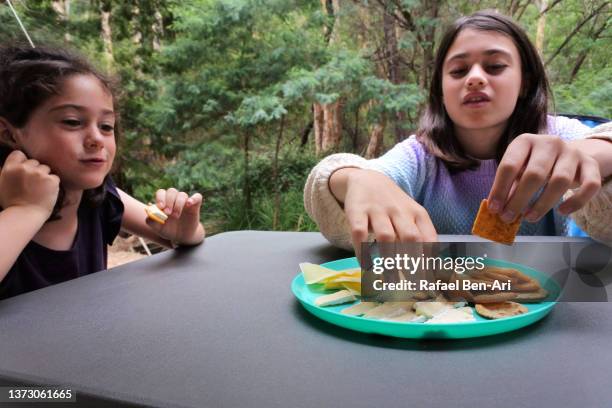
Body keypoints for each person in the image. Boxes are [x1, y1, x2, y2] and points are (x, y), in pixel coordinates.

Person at [304, 10, 612, 252]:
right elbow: (330, 193)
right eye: (458, 70)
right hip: (437, 319)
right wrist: (355, 179)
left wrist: (596, 152)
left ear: (526, 83)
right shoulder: (419, 157)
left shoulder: (560, 138)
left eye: (494, 66)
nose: (475, 78)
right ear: (441, 89)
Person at [0, 44, 205, 300]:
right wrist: (25, 211)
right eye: (72, 122)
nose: (97, 138)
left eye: (106, 126)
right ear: (9, 134)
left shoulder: (99, 194)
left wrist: (183, 231)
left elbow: (186, 236)